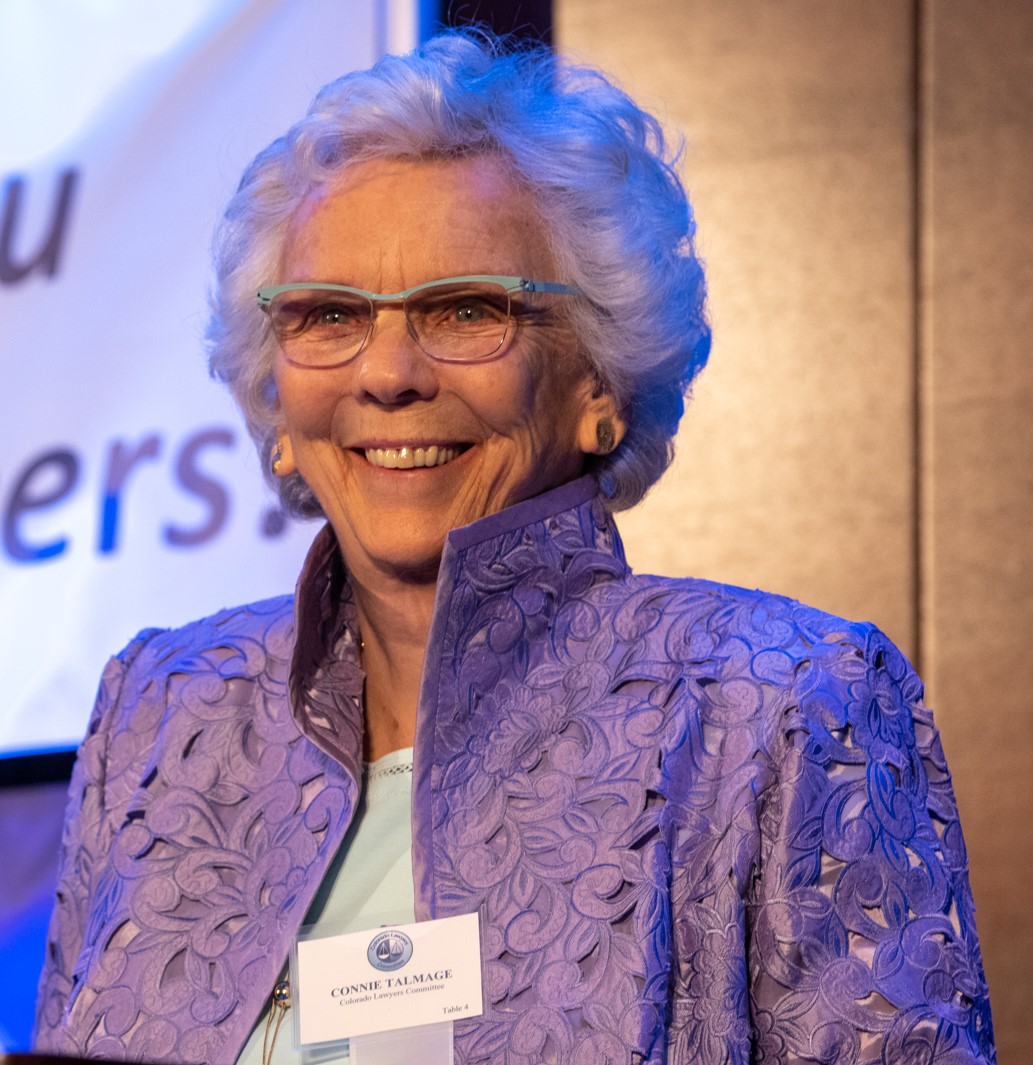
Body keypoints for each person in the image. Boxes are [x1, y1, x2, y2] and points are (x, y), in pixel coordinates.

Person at [34, 30, 995, 1065]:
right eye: (327, 316)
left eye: (465, 310)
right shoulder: (159, 712)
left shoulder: (781, 703)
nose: (390, 373)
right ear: (276, 399)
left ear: (596, 384)